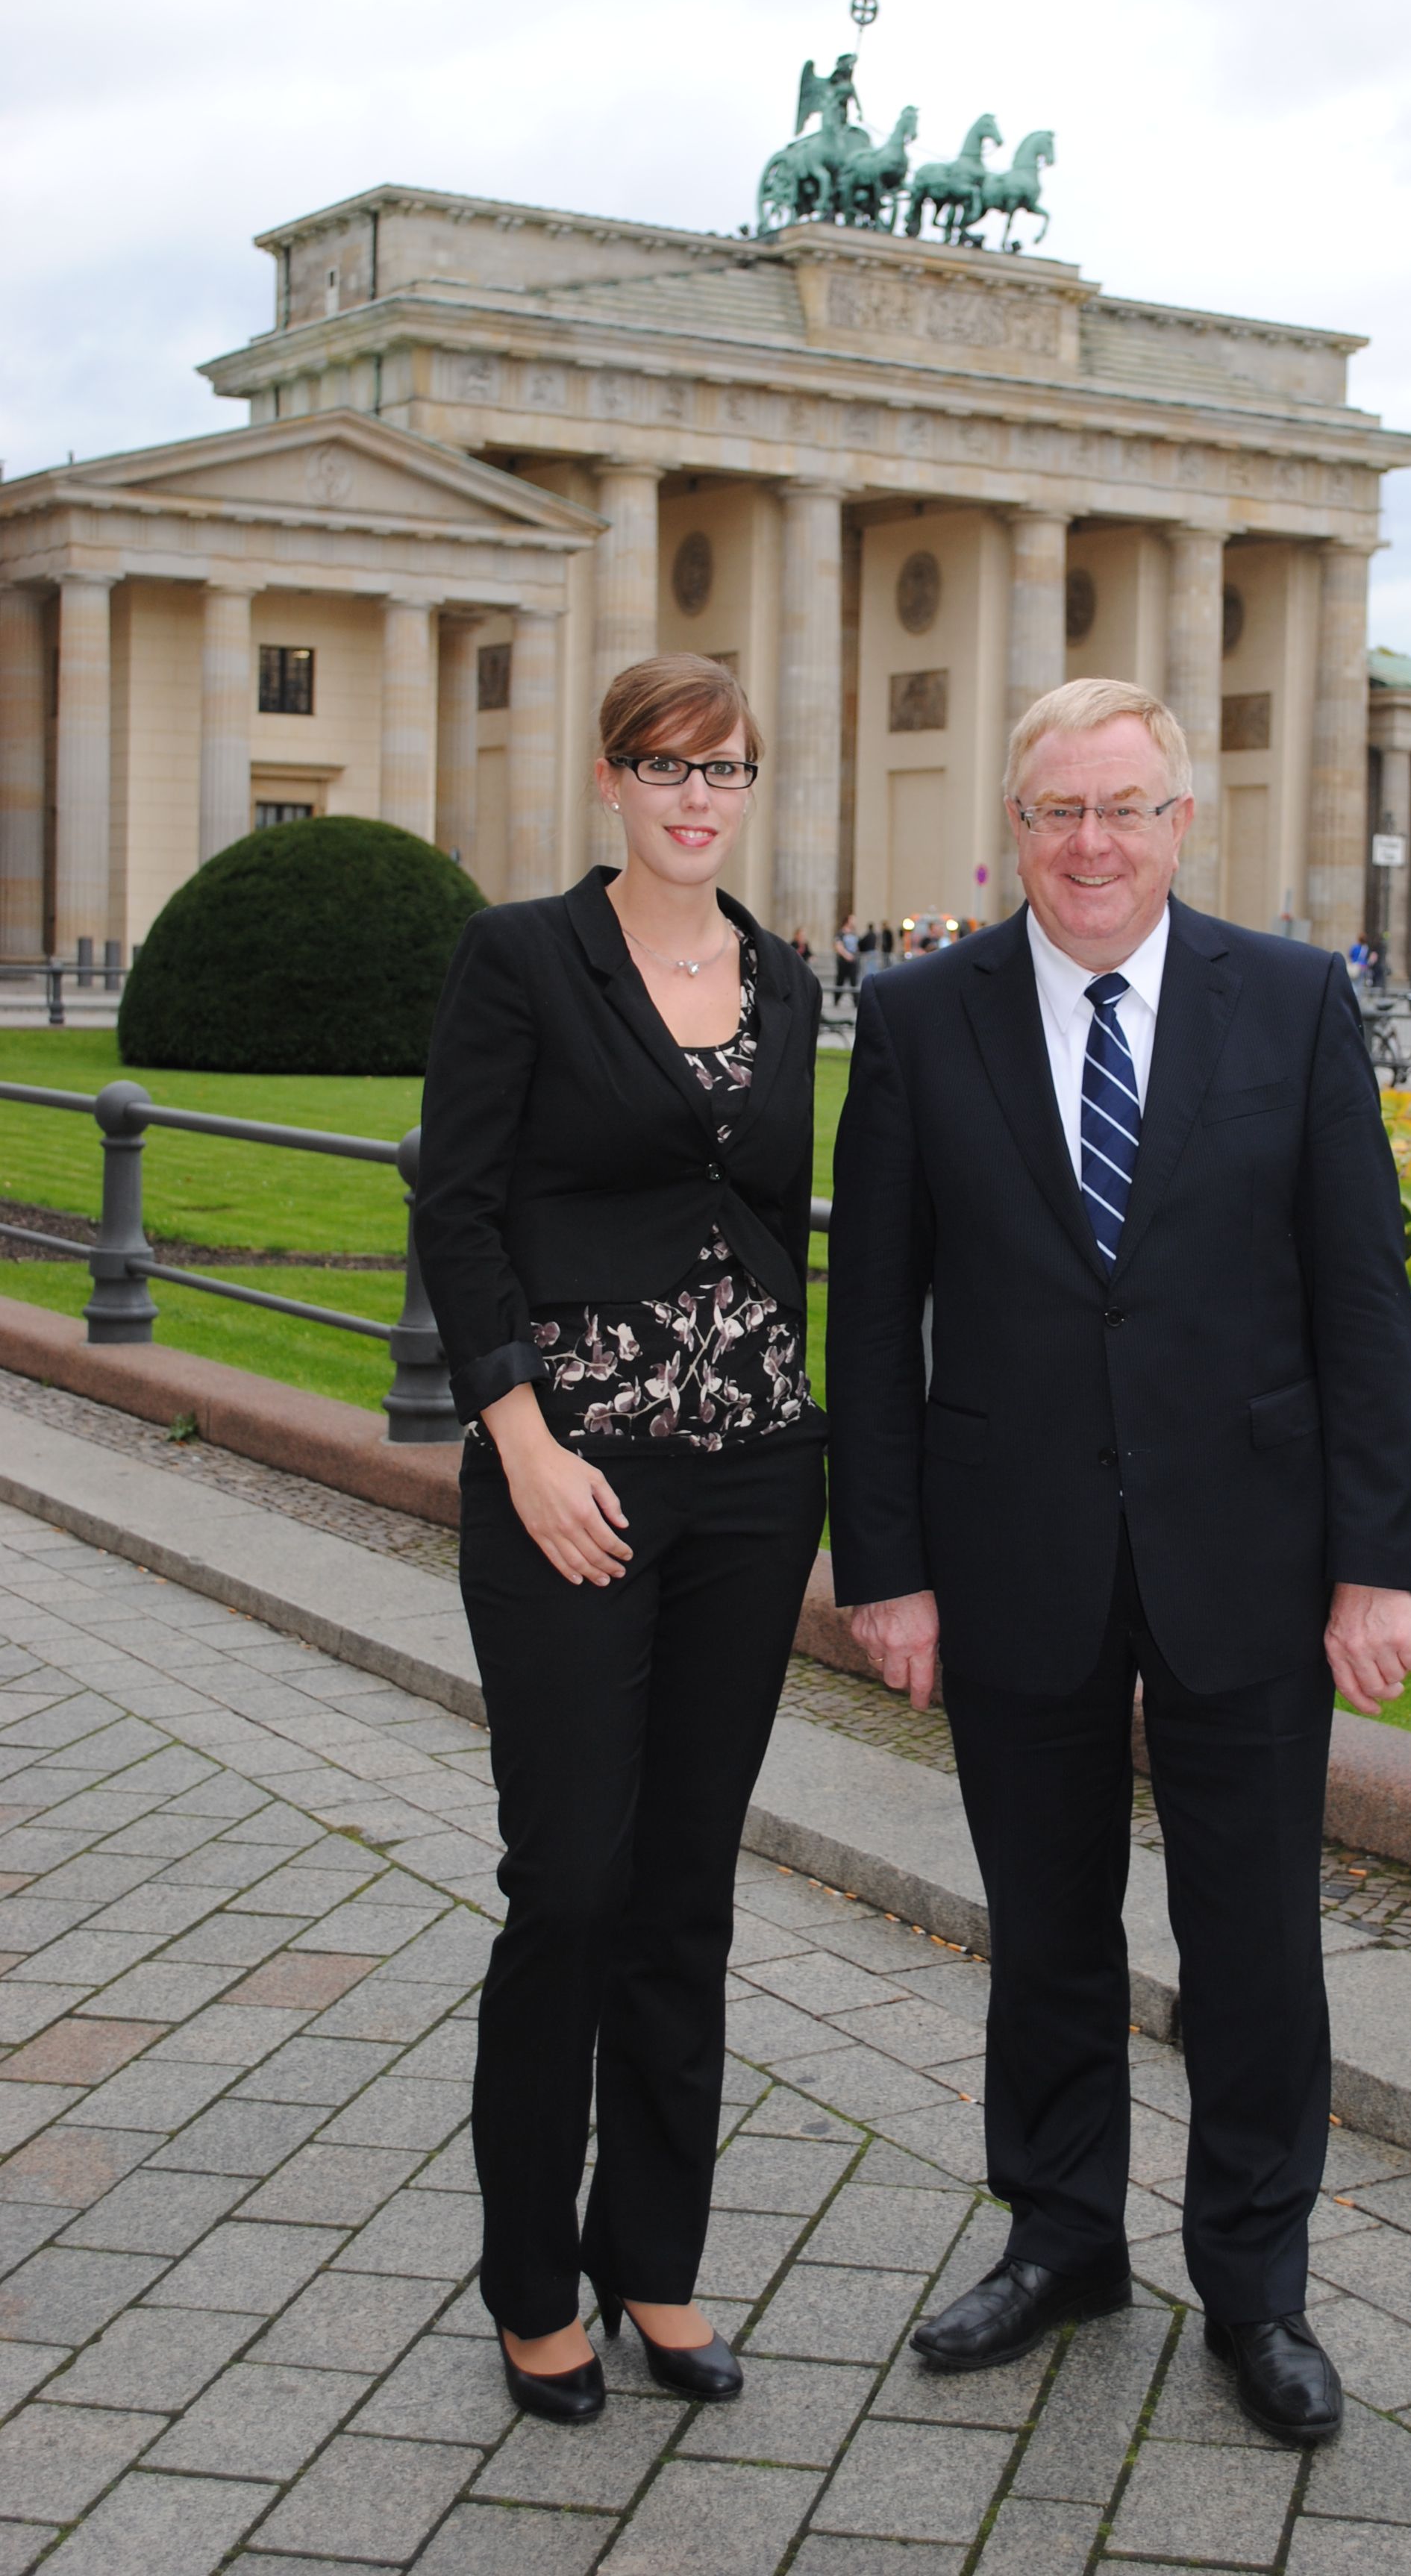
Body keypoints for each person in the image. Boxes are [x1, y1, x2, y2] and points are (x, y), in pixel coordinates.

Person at [827, 677, 1411, 2448]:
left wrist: (1372, 1563)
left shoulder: (1296, 1001)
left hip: (1245, 1552)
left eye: (1124, 809)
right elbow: (871, 1320)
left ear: (1183, 819)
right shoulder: (920, 1013)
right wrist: (888, 1567)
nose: (1091, 845)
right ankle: (1062, 2239)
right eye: (1056, 812)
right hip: (1009, 1553)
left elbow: (1359, 1304)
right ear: (1013, 828)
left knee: (1253, 1949)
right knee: (1049, 1933)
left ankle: (1256, 2290)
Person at [415, 651, 826, 2429]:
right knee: (569, 1883)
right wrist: (518, 1434)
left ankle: (654, 2259)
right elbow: (460, 1200)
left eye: (723, 770)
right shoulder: (524, 958)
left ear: (750, 789)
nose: (694, 797)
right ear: (612, 780)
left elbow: (771, 1223)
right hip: (568, 1481)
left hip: (746, 1485)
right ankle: (530, 2282)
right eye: (664, 766)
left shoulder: (788, 979)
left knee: (685, 1893)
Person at [833, 912, 860, 1003]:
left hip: (853, 961)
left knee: (854, 982)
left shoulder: (854, 933)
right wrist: (847, 955)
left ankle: (856, 1002)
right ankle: (836, 1000)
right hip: (843, 961)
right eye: (852, 919)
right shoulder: (840, 933)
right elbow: (838, 946)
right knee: (840, 981)